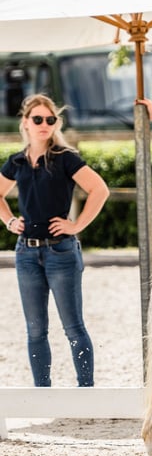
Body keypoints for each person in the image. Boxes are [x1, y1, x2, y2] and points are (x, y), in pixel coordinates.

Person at [0, 94, 110, 387]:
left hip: (61, 252)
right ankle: (42, 393)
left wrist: (76, 226)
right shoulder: (18, 162)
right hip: (26, 254)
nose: (44, 124)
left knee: (73, 327)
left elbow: (99, 190)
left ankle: (85, 390)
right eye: (37, 119)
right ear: (25, 123)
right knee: (35, 330)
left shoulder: (65, 159)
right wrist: (10, 220)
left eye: (50, 120)